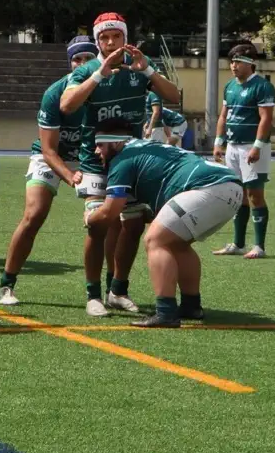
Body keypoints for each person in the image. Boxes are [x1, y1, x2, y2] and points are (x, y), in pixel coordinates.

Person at [60, 12, 181, 316]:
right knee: (99, 225)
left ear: (126, 39)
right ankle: (92, 295)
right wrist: (98, 75)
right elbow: (67, 104)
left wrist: (149, 70)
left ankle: (118, 289)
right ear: (97, 41)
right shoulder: (88, 70)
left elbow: (174, 97)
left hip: (132, 161)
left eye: (116, 36)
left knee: (135, 223)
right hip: (96, 162)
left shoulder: (137, 69)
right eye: (104, 37)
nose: (111, 42)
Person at [86, 121, 244, 328]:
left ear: (115, 144)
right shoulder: (148, 146)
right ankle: (191, 305)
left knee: (155, 240)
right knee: (177, 244)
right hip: (231, 189)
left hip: (207, 187)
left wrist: (90, 217)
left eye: (100, 145)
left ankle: (166, 312)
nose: (97, 151)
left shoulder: (123, 159)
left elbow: (110, 212)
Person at [0, 37, 97, 305]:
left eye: (89, 58)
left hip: (89, 158)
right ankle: (6, 285)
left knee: (101, 221)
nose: (83, 64)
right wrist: (70, 176)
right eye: (77, 59)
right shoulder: (55, 93)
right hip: (51, 158)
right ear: (69, 62)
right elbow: (49, 150)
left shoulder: (106, 90)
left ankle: (109, 291)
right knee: (34, 215)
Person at [211, 46, 275, 259]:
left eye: (238, 61)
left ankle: (259, 246)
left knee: (254, 194)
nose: (233, 65)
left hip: (252, 146)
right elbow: (223, 116)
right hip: (232, 146)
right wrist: (219, 141)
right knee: (237, 194)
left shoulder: (263, 86)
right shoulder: (229, 86)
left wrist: (257, 145)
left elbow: (266, 117)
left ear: (250, 63)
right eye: (231, 61)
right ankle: (238, 244)